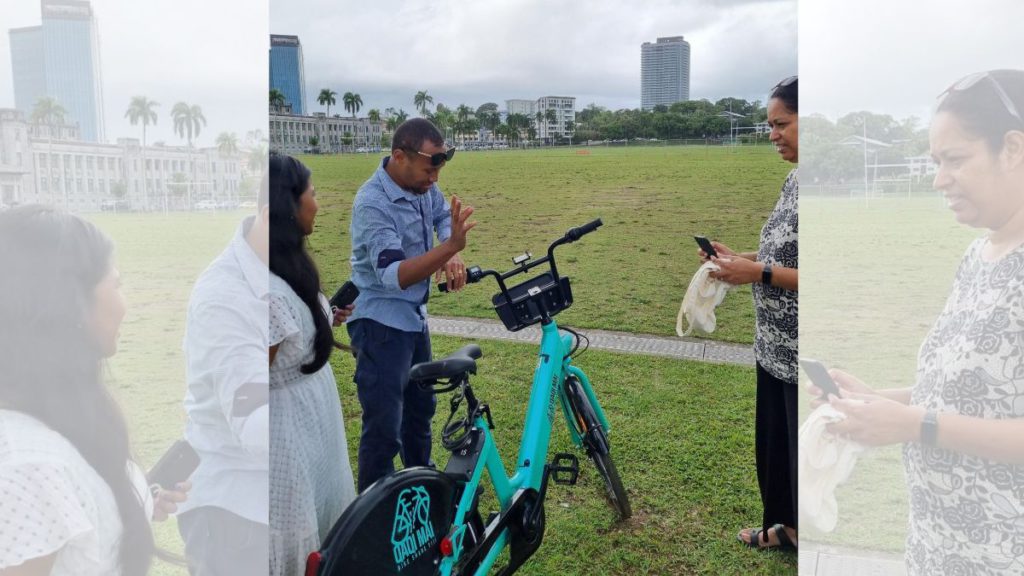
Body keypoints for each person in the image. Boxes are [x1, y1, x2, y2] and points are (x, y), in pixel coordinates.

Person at [815, 69, 1024, 575]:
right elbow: (978, 388)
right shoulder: (981, 253)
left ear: (1014, 149)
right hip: (938, 543)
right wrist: (882, 401)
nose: (937, 179)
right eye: (935, 162)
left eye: (955, 160)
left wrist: (917, 425)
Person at [0, 206, 188, 575]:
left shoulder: (57, 415)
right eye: (117, 284)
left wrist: (136, 499)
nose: (125, 304)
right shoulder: (27, 467)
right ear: (71, 306)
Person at [347, 118, 477, 491]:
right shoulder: (373, 202)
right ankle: (374, 518)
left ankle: (422, 498)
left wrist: (448, 249)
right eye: (428, 169)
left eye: (439, 169)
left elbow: (441, 216)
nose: (434, 180)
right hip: (380, 328)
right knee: (384, 430)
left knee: (420, 414)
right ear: (399, 156)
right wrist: (449, 249)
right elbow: (395, 275)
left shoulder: (421, 188)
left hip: (413, 320)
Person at [702, 76, 800, 550]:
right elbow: (785, 257)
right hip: (775, 348)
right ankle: (786, 527)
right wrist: (736, 261)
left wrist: (756, 272)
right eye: (769, 125)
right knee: (778, 451)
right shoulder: (796, 178)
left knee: (807, 455)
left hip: (808, 355)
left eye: (781, 123)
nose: (772, 134)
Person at [177, 176, 271, 575]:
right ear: (270, 216)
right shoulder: (224, 298)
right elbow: (255, 425)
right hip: (238, 516)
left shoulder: (276, 269)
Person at [267, 154, 356, 576]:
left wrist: (325, 318)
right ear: (290, 204)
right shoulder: (264, 291)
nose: (318, 203)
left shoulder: (289, 263)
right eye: (313, 194)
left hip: (317, 426)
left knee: (328, 528)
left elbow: (294, 337)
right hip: (287, 438)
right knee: (297, 538)